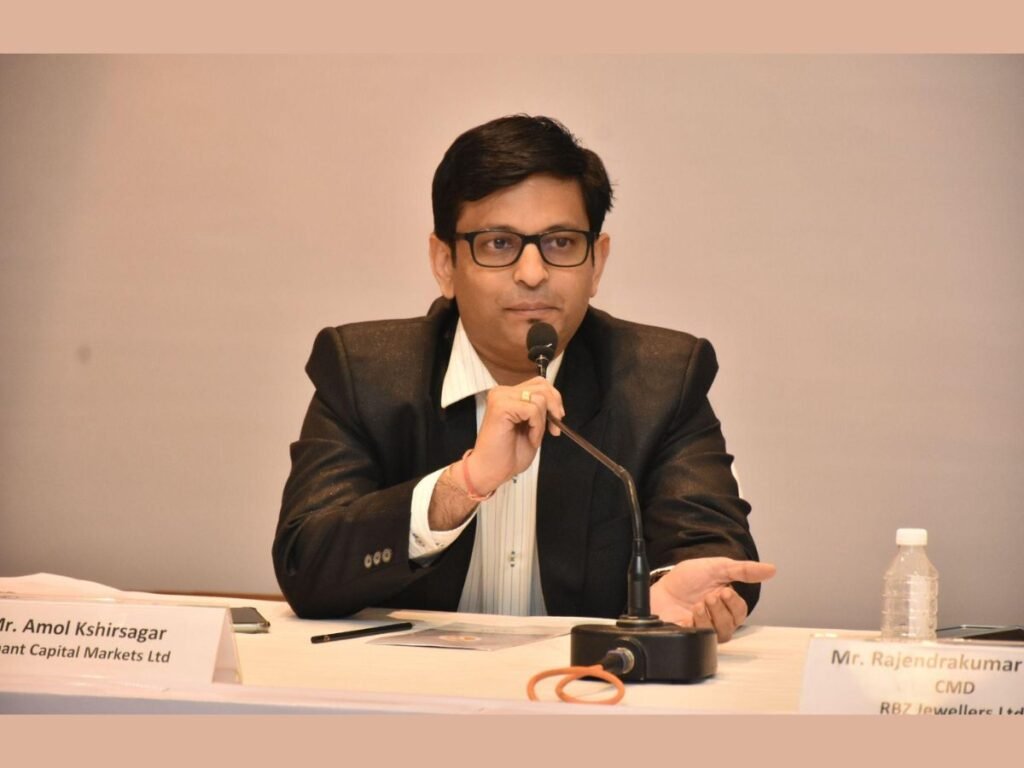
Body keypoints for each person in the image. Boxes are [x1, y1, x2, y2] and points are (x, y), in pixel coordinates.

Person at [273, 114, 775, 642]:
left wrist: (681, 590)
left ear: (597, 263)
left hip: (584, 680)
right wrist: (461, 486)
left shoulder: (661, 379)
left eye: (561, 243)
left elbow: (708, 545)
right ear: (445, 263)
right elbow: (307, 565)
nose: (533, 273)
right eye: (498, 243)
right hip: (411, 681)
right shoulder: (365, 373)